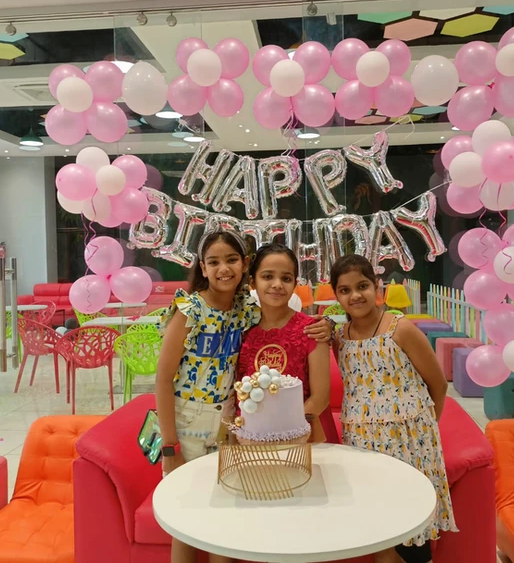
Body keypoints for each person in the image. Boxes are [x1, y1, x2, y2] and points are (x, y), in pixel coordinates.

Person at [155, 230, 332, 563]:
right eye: (214, 261)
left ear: (244, 265)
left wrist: (328, 328)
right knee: (187, 519)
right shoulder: (189, 309)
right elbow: (163, 379)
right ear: (203, 268)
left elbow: (288, 320)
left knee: (224, 518)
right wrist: (169, 446)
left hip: (231, 426)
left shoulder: (245, 311)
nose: (224, 268)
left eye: (232, 259)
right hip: (189, 422)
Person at [330, 254, 457, 563]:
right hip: (362, 442)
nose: (355, 295)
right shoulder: (339, 338)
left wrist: (423, 428)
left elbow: (437, 384)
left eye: (362, 286)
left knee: (410, 522)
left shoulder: (400, 329)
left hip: (410, 440)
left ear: (377, 286)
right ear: (336, 296)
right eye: (345, 290)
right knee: (377, 522)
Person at [237, 244, 338, 443]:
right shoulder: (243, 331)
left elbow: (320, 398)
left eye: (286, 278)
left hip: (302, 438)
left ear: (294, 283)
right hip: (252, 438)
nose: (277, 284)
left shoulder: (312, 329)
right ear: (252, 282)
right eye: (267, 277)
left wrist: (280, 432)